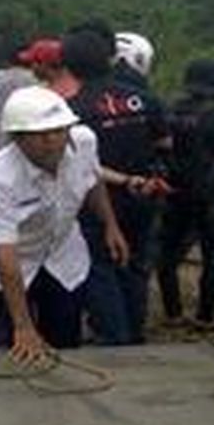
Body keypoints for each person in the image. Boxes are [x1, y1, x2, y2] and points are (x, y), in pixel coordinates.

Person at [0, 86, 128, 359]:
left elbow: (92, 181)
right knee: (12, 341)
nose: (53, 140)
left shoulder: (84, 142)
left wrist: (110, 225)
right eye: (41, 135)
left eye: (59, 130)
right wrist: (23, 326)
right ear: (18, 139)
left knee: (64, 337)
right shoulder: (0, 177)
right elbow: (5, 254)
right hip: (14, 259)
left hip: (62, 253)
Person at [66, 28, 171, 345]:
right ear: (111, 59)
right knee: (137, 264)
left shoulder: (73, 108)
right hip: (145, 196)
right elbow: (165, 142)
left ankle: (115, 336)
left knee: (100, 265)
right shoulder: (144, 99)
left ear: (69, 66)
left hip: (99, 199)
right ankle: (134, 332)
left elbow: (83, 163)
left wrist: (122, 179)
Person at [157, 59, 214, 327]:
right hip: (211, 192)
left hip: (174, 190)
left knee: (167, 254)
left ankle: (173, 311)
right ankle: (205, 315)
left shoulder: (168, 112)